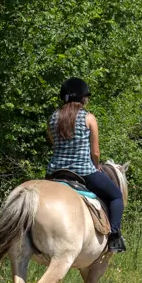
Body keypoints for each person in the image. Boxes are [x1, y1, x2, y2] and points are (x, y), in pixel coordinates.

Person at [47, 78, 126, 253]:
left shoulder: (53, 118)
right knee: (116, 196)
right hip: (83, 172)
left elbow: (55, 144)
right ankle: (114, 235)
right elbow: (95, 152)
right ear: (83, 98)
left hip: (55, 172)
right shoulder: (88, 118)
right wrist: (96, 166)